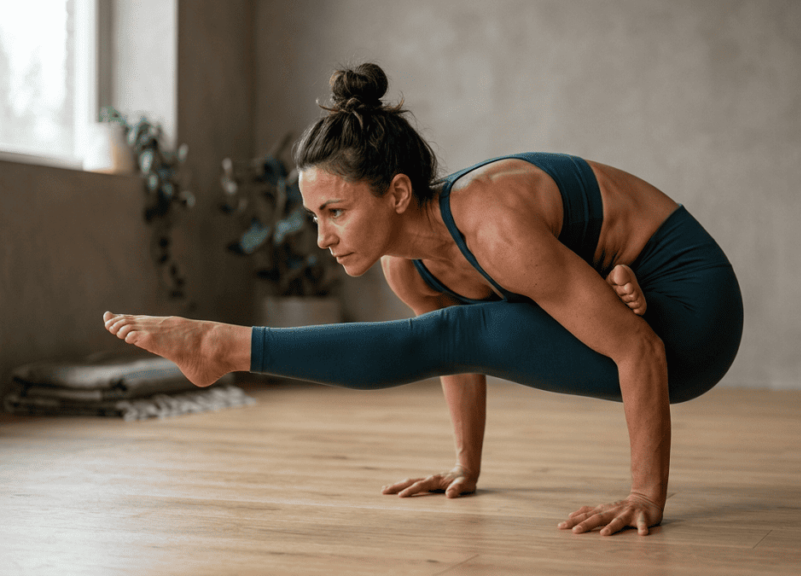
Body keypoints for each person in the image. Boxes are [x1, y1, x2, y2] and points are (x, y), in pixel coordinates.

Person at [102, 63, 743, 537]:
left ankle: (222, 346)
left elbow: (639, 345)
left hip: (692, 317)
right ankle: (225, 349)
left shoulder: (491, 227)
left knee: (463, 329)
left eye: (336, 212)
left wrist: (644, 496)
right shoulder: (405, 266)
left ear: (400, 193)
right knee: (457, 330)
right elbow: (450, 355)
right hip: (638, 305)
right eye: (313, 217)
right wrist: (465, 465)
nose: (322, 237)